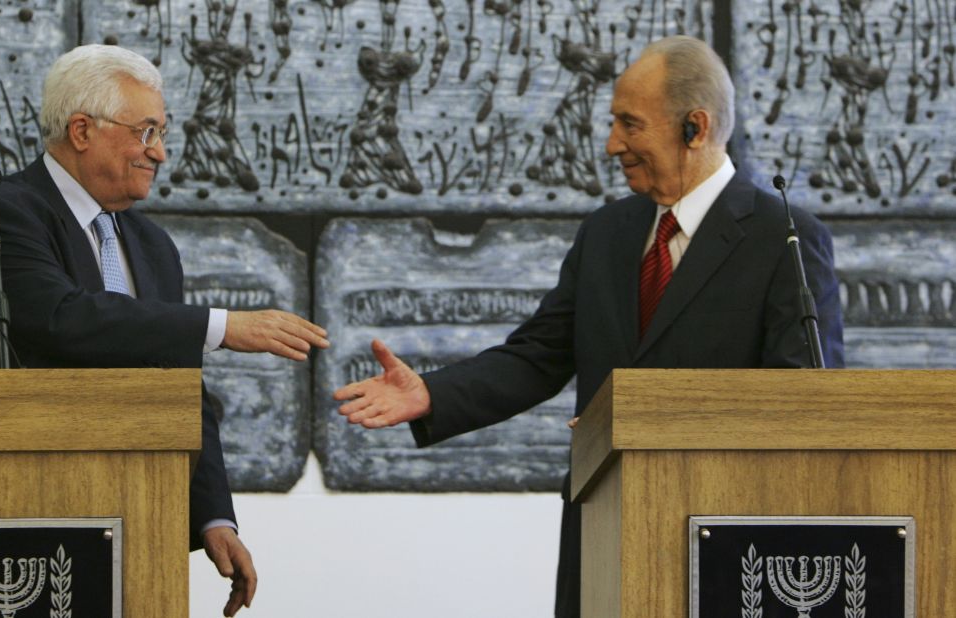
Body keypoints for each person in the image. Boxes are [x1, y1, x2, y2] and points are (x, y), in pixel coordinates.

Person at [334, 36, 844, 617]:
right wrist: (432, 392)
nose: (611, 144)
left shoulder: (785, 240)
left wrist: (654, 419)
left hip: (728, 545)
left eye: (630, 124)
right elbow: (539, 355)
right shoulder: (607, 232)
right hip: (602, 528)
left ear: (695, 128)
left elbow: (802, 404)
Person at [0, 44, 329, 617]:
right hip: (19, 510)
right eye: (146, 132)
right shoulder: (2, 213)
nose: (161, 152)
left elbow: (180, 393)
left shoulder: (152, 246)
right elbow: (63, 318)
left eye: (162, 133)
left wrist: (213, 517)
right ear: (81, 130)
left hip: (136, 515)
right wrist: (222, 326)